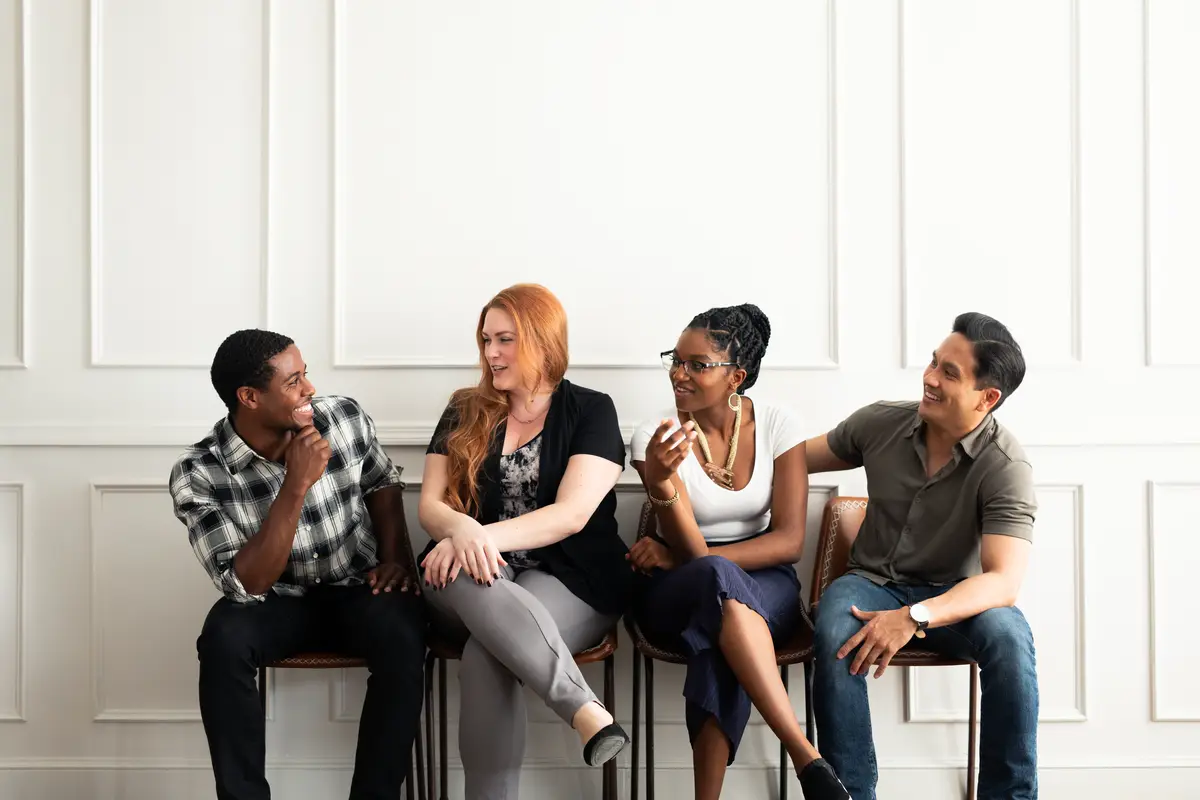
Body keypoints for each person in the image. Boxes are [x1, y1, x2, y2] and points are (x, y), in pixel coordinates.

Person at [169, 329, 426, 800]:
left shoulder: (342, 417)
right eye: (293, 381)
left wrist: (396, 561)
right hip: (274, 600)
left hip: (356, 587)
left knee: (406, 632)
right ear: (249, 397)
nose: (309, 388)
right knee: (222, 640)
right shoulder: (199, 471)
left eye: (305, 374)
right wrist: (295, 485)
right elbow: (246, 584)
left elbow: (381, 482)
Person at [806, 312, 1039, 800]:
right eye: (934, 363)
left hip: (954, 597)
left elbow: (1002, 582)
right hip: (869, 580)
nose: (930, 378)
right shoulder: (881, 422)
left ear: (987, 397)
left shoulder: (1006, 465)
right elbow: (792, 459)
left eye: (949, 374)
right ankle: (850, 795)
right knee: (833, 626)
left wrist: (913, 616)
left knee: (1010, 639)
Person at [417, 283, 631, 800]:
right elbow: (430, 506)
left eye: (505, 339)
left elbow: (571, 515)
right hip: (466, 577)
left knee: (488, 652)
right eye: (486, 339)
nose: (491, 353)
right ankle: (584, 709)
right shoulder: (464, 407)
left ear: (542, 340)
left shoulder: (591, 410)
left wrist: (472, 534)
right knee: (481, 598)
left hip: (570, 576)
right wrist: (460, 532)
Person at [628, 303, 850, 800]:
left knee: (718, 630)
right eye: (675, 359)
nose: (677, 373)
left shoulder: (778, 425)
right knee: (712, 585)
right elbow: (694, 554)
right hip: (678, 585)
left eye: (697, 364)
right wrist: (662, 481)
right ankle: (805, 754)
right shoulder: (655, 435)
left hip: (764, 578)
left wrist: (691, 558)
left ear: (736, 376)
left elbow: (790, 541)